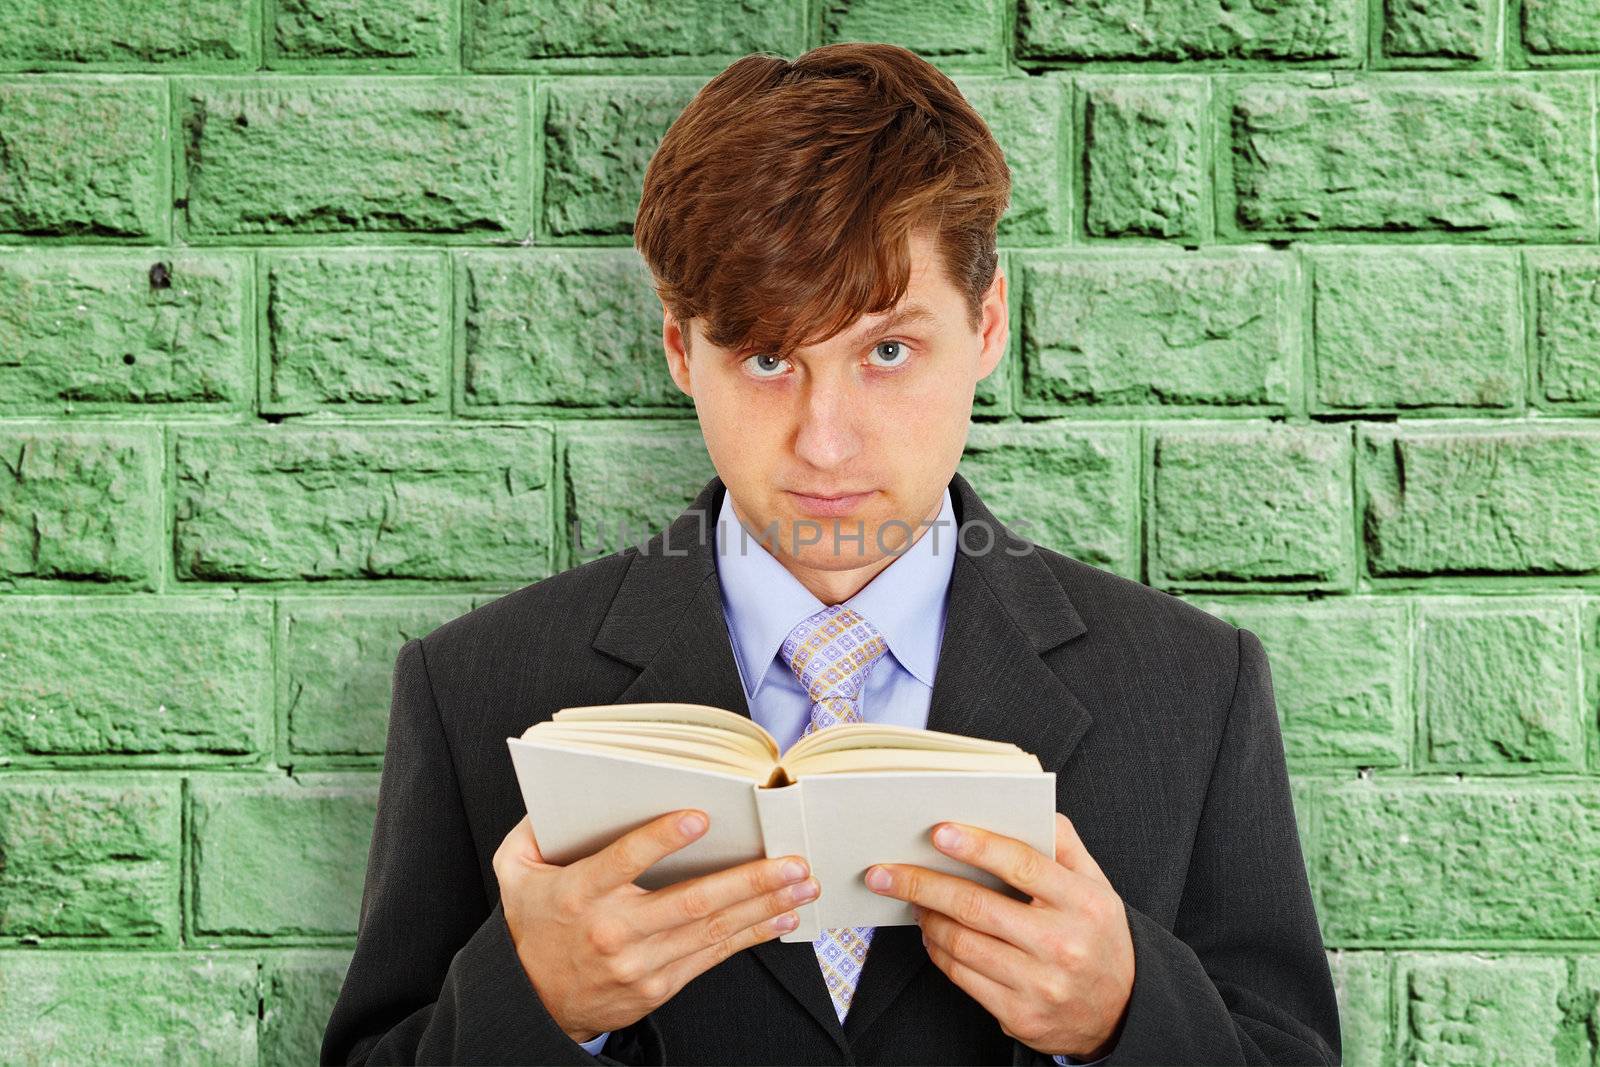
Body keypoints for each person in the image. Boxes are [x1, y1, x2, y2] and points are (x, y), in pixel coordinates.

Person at [321, 42, 1340, 1066]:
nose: (825, 441)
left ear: (985, 326)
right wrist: (535, 1000)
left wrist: (1124, 1013)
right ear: (681, 350)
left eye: (886, 351)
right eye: (767, 358)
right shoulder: (472, 687)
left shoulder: (1193, 686)